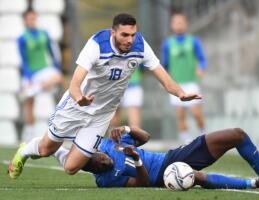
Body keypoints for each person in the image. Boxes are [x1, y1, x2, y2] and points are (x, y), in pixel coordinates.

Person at [8, 13, 201, 179]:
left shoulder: (140, 45)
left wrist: (180, 93)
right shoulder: (96, 45)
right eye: (125, 35)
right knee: (44, 149)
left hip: (102, 115)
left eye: (133, 35)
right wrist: (79, 98)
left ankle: (59, 150)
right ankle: (25, 150)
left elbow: (164, 78)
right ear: (113, 32)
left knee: (71, 168)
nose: (130, 40)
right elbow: (75, 84)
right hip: (76, 106)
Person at [54, 126, 259, 189]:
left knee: (236, 135)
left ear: (95, 151)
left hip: (171, 156)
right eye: (97, 166)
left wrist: (128, 130)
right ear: (91, 170)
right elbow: (141, 182)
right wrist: (137, 160)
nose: (103, 162)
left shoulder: (110, 143)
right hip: (161, 175)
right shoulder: (106, 181)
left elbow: (145, 136)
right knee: (197, 178)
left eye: (99, 158)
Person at [18, 8, 62, 141]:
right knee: (29, 104)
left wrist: (56, 67)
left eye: (34, 18)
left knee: (58, 77)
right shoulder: (22, 38)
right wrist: (29, 77)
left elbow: (52, 52)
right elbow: (24, 60)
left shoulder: (44, 34)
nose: (32, 21)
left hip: (44, 71)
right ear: (25, 21)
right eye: (29, 19)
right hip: (31, 73)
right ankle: (30, 135)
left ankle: (35, 88)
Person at [162, 13, 207, 142]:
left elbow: (202, 59)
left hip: (191, 82)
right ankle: (186, 142)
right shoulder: (168, 44)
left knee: (196, 113)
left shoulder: (193, 41)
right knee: (180, 115)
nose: (178, 25)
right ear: (172, 25)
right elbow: (164, 65)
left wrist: (201, 68)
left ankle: (204, 136)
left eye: (181, 22)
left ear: (185, 24)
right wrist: (164, 80)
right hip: (177, 85)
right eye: (176, 23)